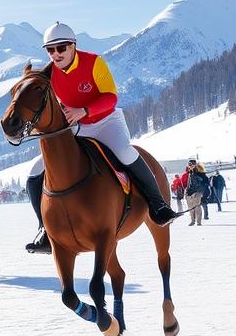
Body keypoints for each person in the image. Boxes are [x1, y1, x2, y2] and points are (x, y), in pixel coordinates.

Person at [25, 23, 179, 254]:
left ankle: (158, 205)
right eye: (50, 49)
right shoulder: (49, 74)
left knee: (125, 152)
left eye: (62, 48)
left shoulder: (94, 62)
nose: (56, 54)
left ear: (73, 46)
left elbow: (110, 97)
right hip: (77, 127)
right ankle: (44, 229)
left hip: (107, 123)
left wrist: (84, 111)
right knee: (35, 172)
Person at [184, 160, 209, 227]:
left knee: (197, 207)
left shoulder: (199, 173)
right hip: (189, 193)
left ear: (195, 165)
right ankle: (192, 221)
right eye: (189, 165)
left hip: (197, 193)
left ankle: (198, 222)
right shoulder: (190, 173)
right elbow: (189, 183)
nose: (190, 166)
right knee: (191, 208)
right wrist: (186, 191)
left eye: (192, 165)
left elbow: (206, 182)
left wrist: (201, 192)